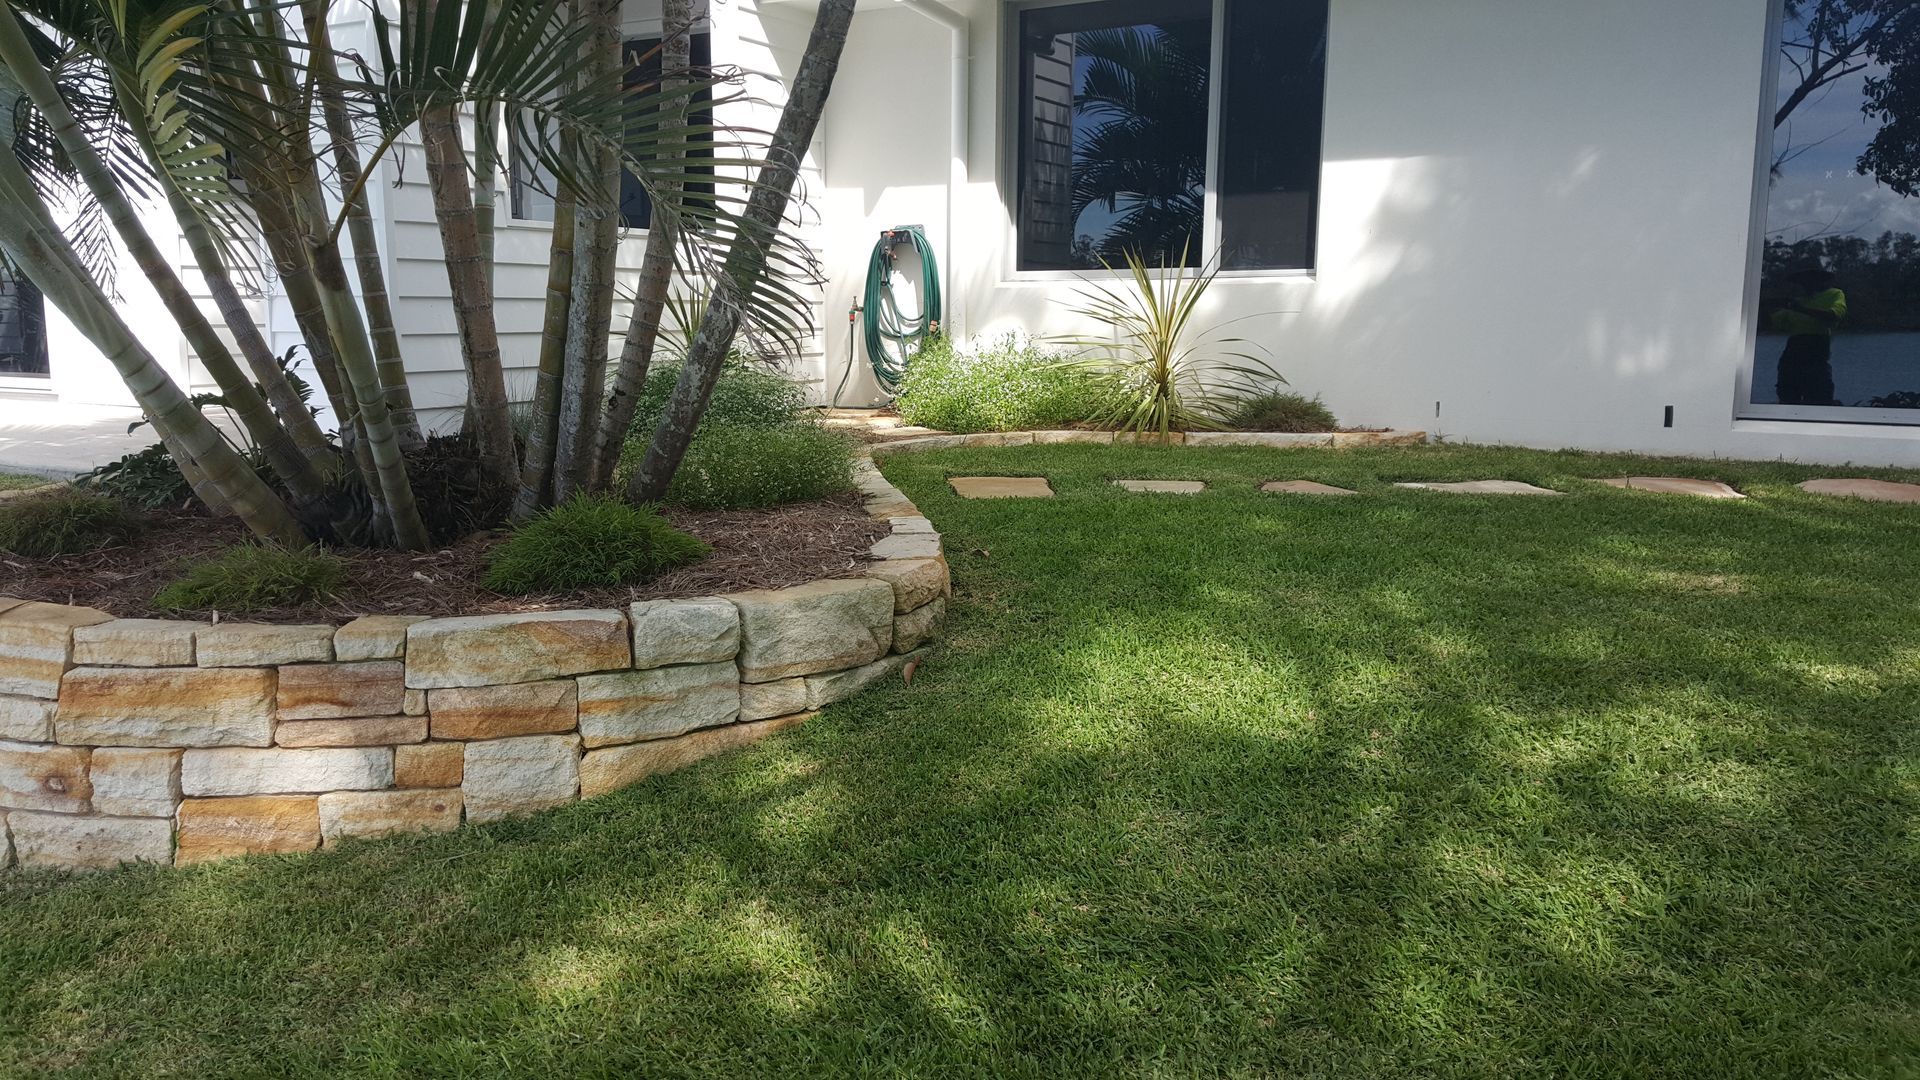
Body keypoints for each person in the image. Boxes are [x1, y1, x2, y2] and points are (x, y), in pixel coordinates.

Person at [1768, 264, 1847, 406]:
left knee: (1820, 397)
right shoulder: (1797, 301)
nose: (1805, 285)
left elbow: (1833, 315)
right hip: (1792, 357)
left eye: (1809, 281)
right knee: (1788, 399)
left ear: (1819, 281)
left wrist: (1801, 309)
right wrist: (1767, 304)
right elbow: (1771, 322)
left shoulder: (1834, 294)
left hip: (1816, 355)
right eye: (1802, 282)